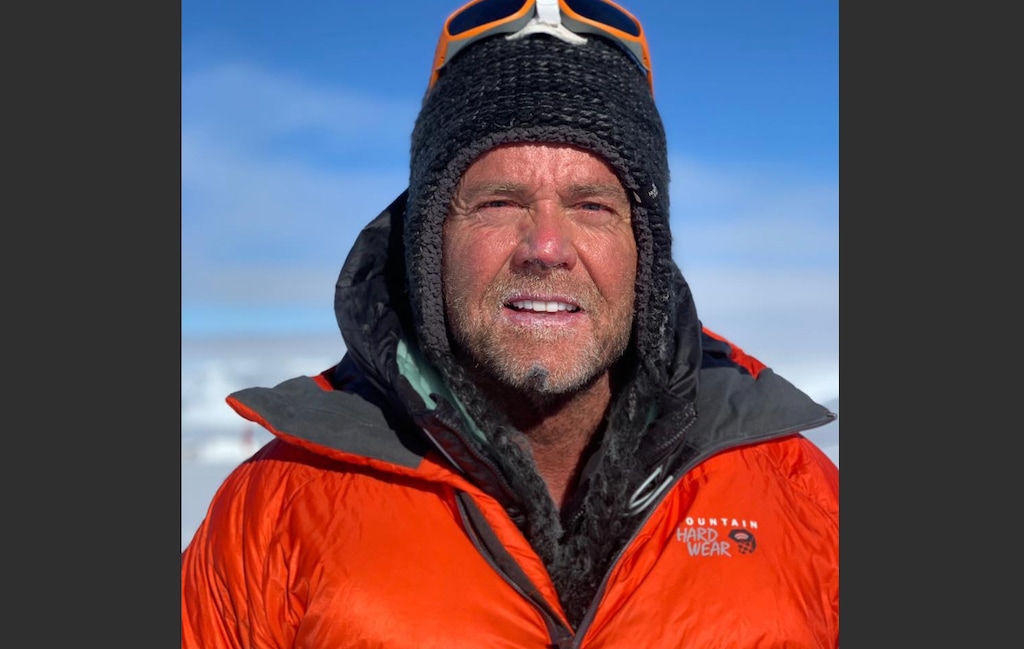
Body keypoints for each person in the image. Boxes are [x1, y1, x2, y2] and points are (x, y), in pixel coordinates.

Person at [181, 0, 839, 646]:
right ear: (428, 243)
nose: (546, 247)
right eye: (499, 202)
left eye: (592, 205)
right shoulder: (274, 514)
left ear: (647, 250)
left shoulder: (805, 502)